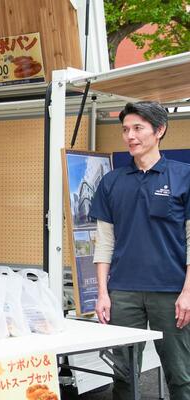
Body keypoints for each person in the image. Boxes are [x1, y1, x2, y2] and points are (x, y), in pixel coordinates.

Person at [90, 101, 190, 400]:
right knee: (123, 376)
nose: (130, 136)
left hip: (171, 292)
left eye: (137, 128)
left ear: (159, 131)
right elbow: (104, 242)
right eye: (125, 130)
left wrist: (187, 292)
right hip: (123, 293)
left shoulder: (184, 176)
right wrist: (103, 293)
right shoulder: (111, 182)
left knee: (181, 376)